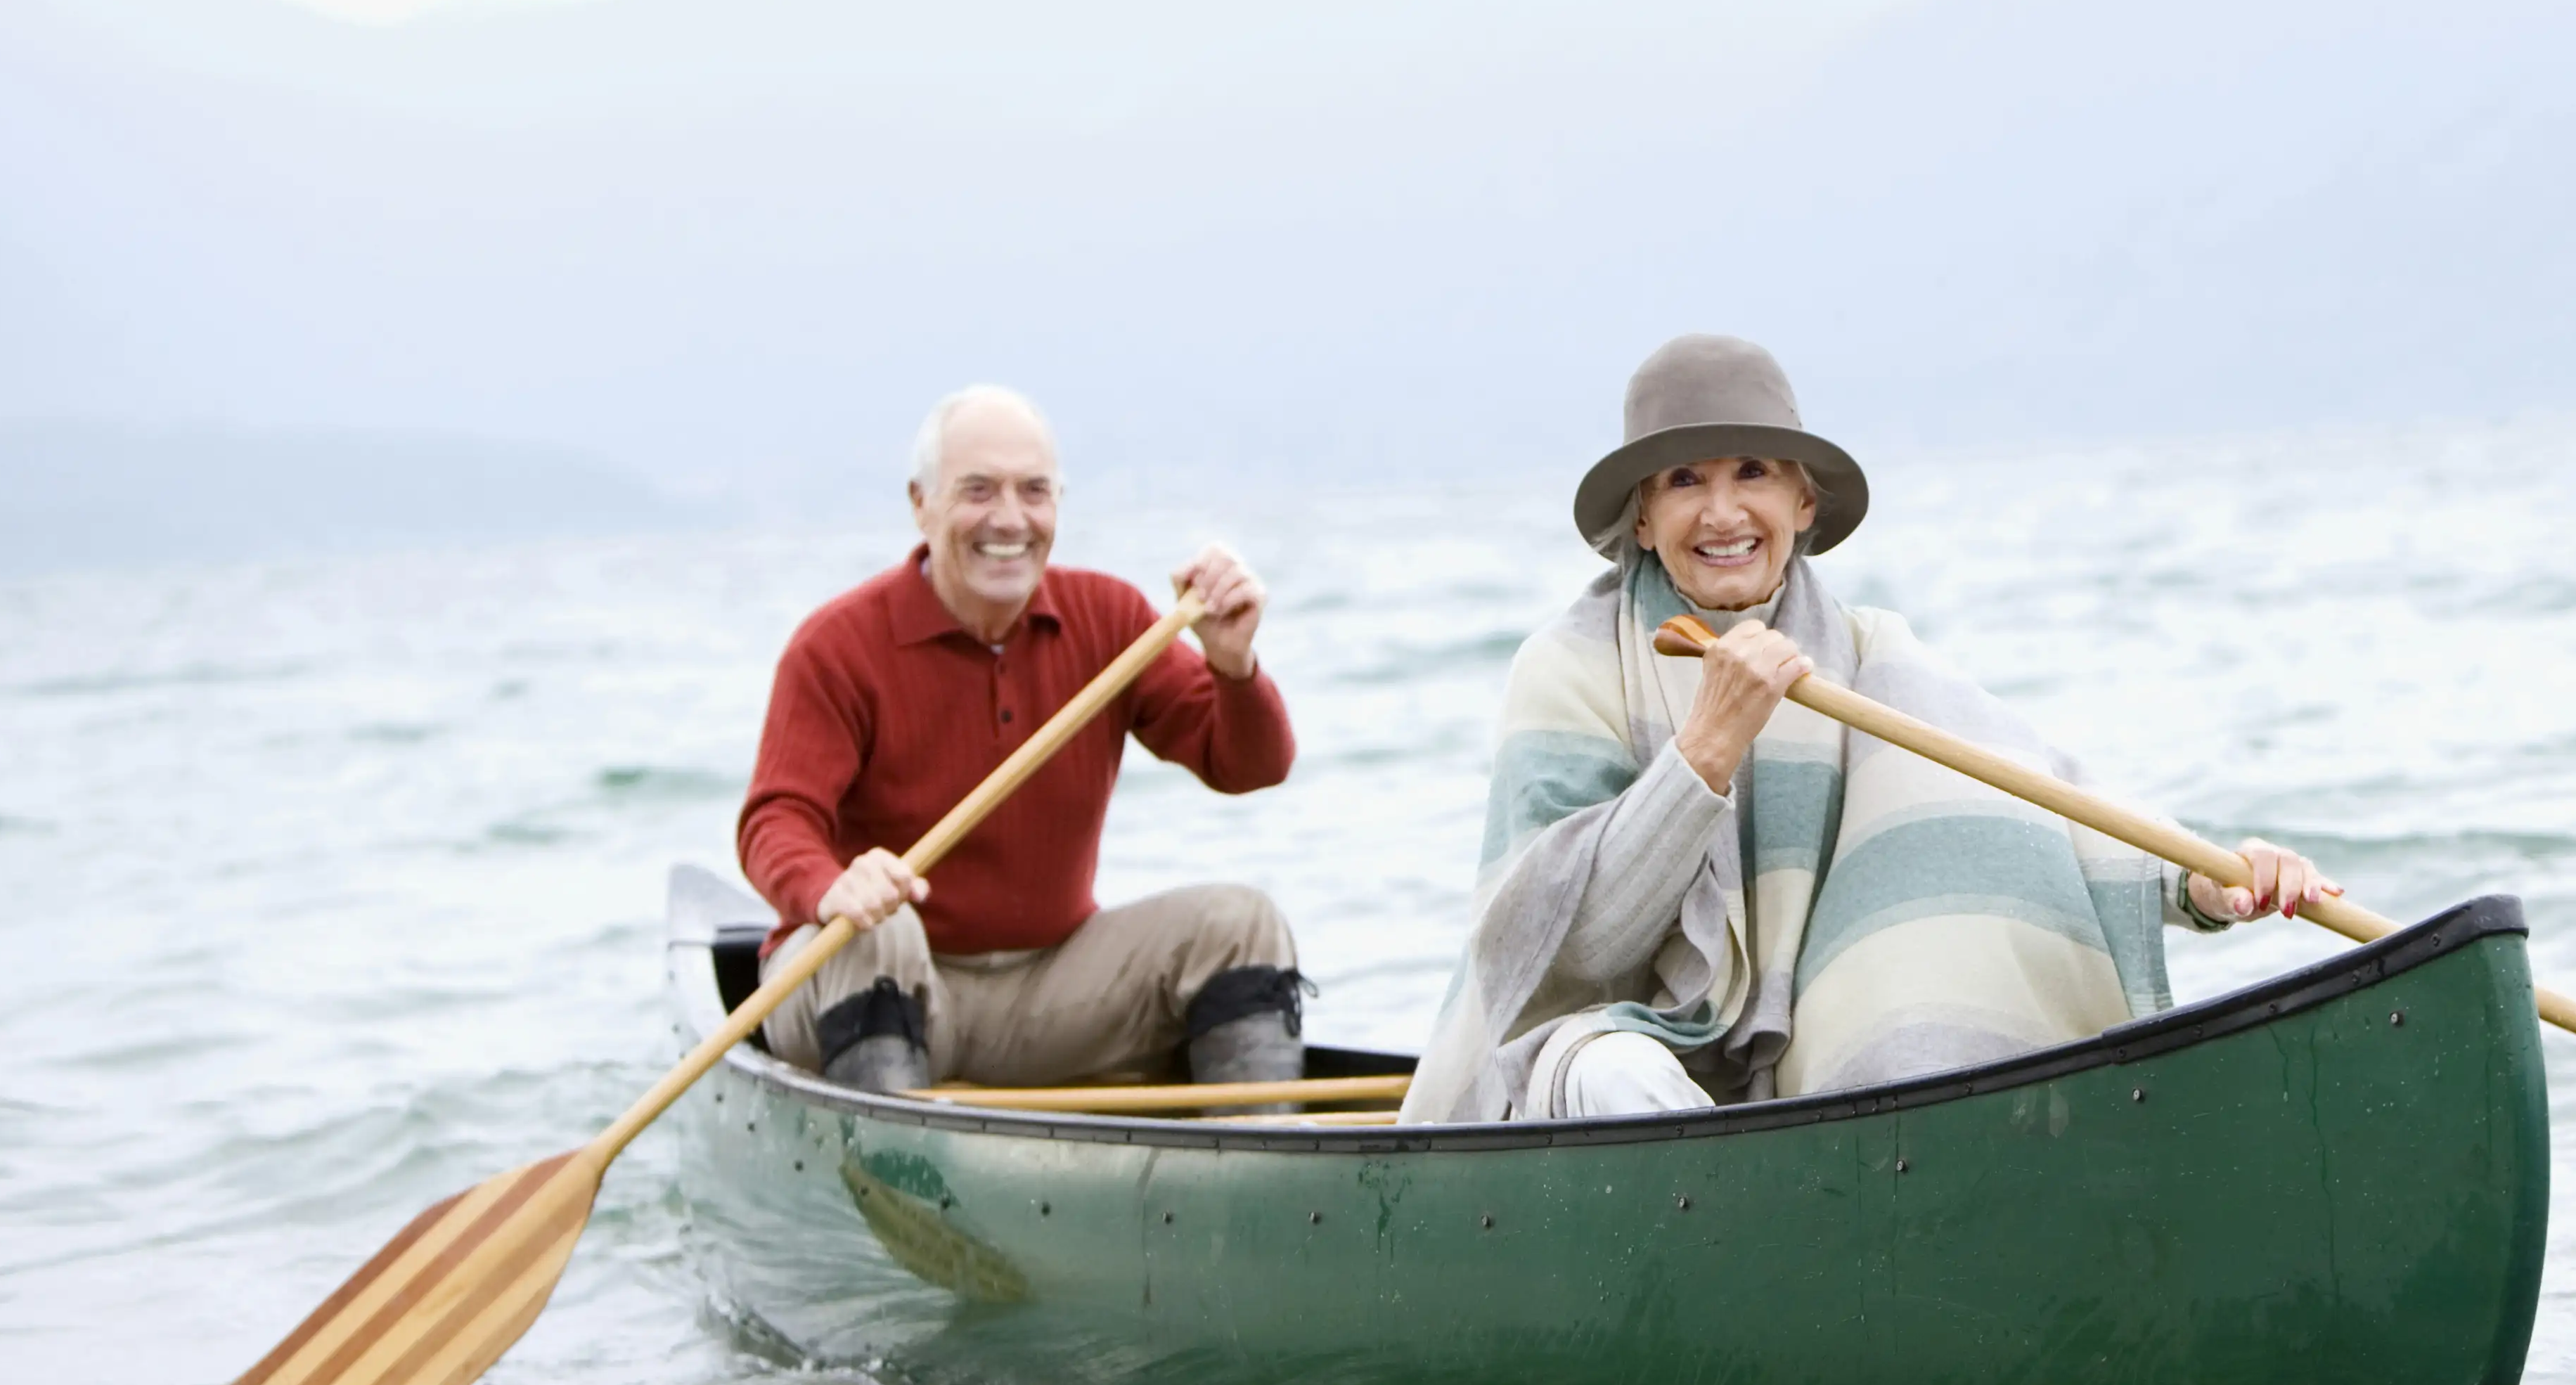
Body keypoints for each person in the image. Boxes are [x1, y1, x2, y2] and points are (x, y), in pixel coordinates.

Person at [1400, 333, 2337, 1123]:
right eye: (1685, 479)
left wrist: (2208, 879)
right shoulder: (1567, 668)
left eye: (1754, 474)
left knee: (1913, 1029)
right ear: (1642, 518)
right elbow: (1554, 954)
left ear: (1802, 504)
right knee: (1620, 1074)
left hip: (1792, 1047)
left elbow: (2037, 796)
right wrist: (1705, 754)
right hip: (1590, 1043)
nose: (1724, 512)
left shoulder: (1863, 653)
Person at [738, 385, 1303, 1094]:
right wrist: (829, 886)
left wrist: (1233, 664)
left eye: (1034, 491)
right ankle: (900, 1177)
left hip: (1048, 987)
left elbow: (1249, 765)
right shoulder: (836, 645)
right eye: (978, 490)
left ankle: (1262, 1171)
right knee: (877, 935)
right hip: (877, 979)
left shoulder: (1112, 618)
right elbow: (773, 820)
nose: (1009, 518)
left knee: (1241, 923)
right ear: (921, 503)